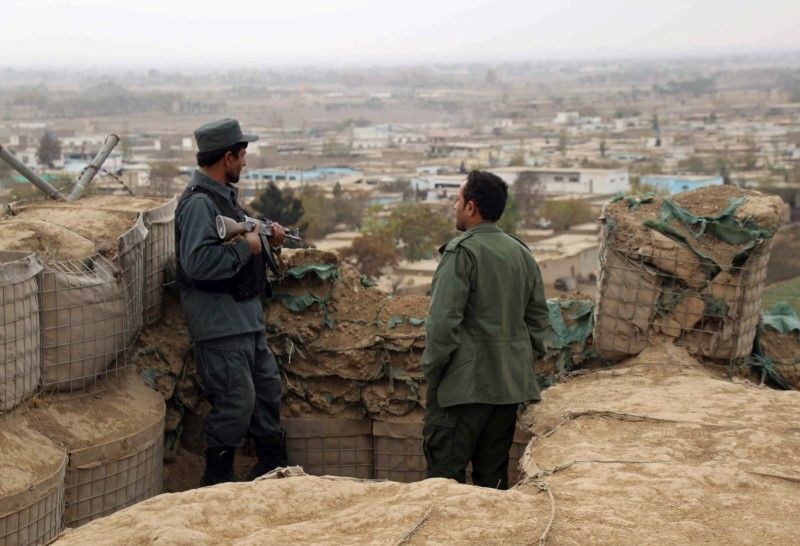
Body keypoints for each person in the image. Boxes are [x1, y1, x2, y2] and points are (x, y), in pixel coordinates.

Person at [175, 118, 287, 486]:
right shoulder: (198, 205)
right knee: (236, 404)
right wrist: (246, 247)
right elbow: (197, 263)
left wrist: (269, 240)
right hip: (220, 327)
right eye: (241, 156)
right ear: (227, 158)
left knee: (266, 393)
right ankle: (216, 482)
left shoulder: (224, 200)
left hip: (246, 321)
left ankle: (272, 468)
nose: (244, 163)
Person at [421, 170, 548, 489]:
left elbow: (441, 325)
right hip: (506, 390)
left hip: (460, 393)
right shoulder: (522, 254)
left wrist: (435, 373)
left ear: (471, 207)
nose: (454, 205)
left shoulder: (461, 252)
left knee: (443, 483)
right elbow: (538, 321)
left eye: (458, 199)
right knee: (492, 484)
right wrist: (516, 363)